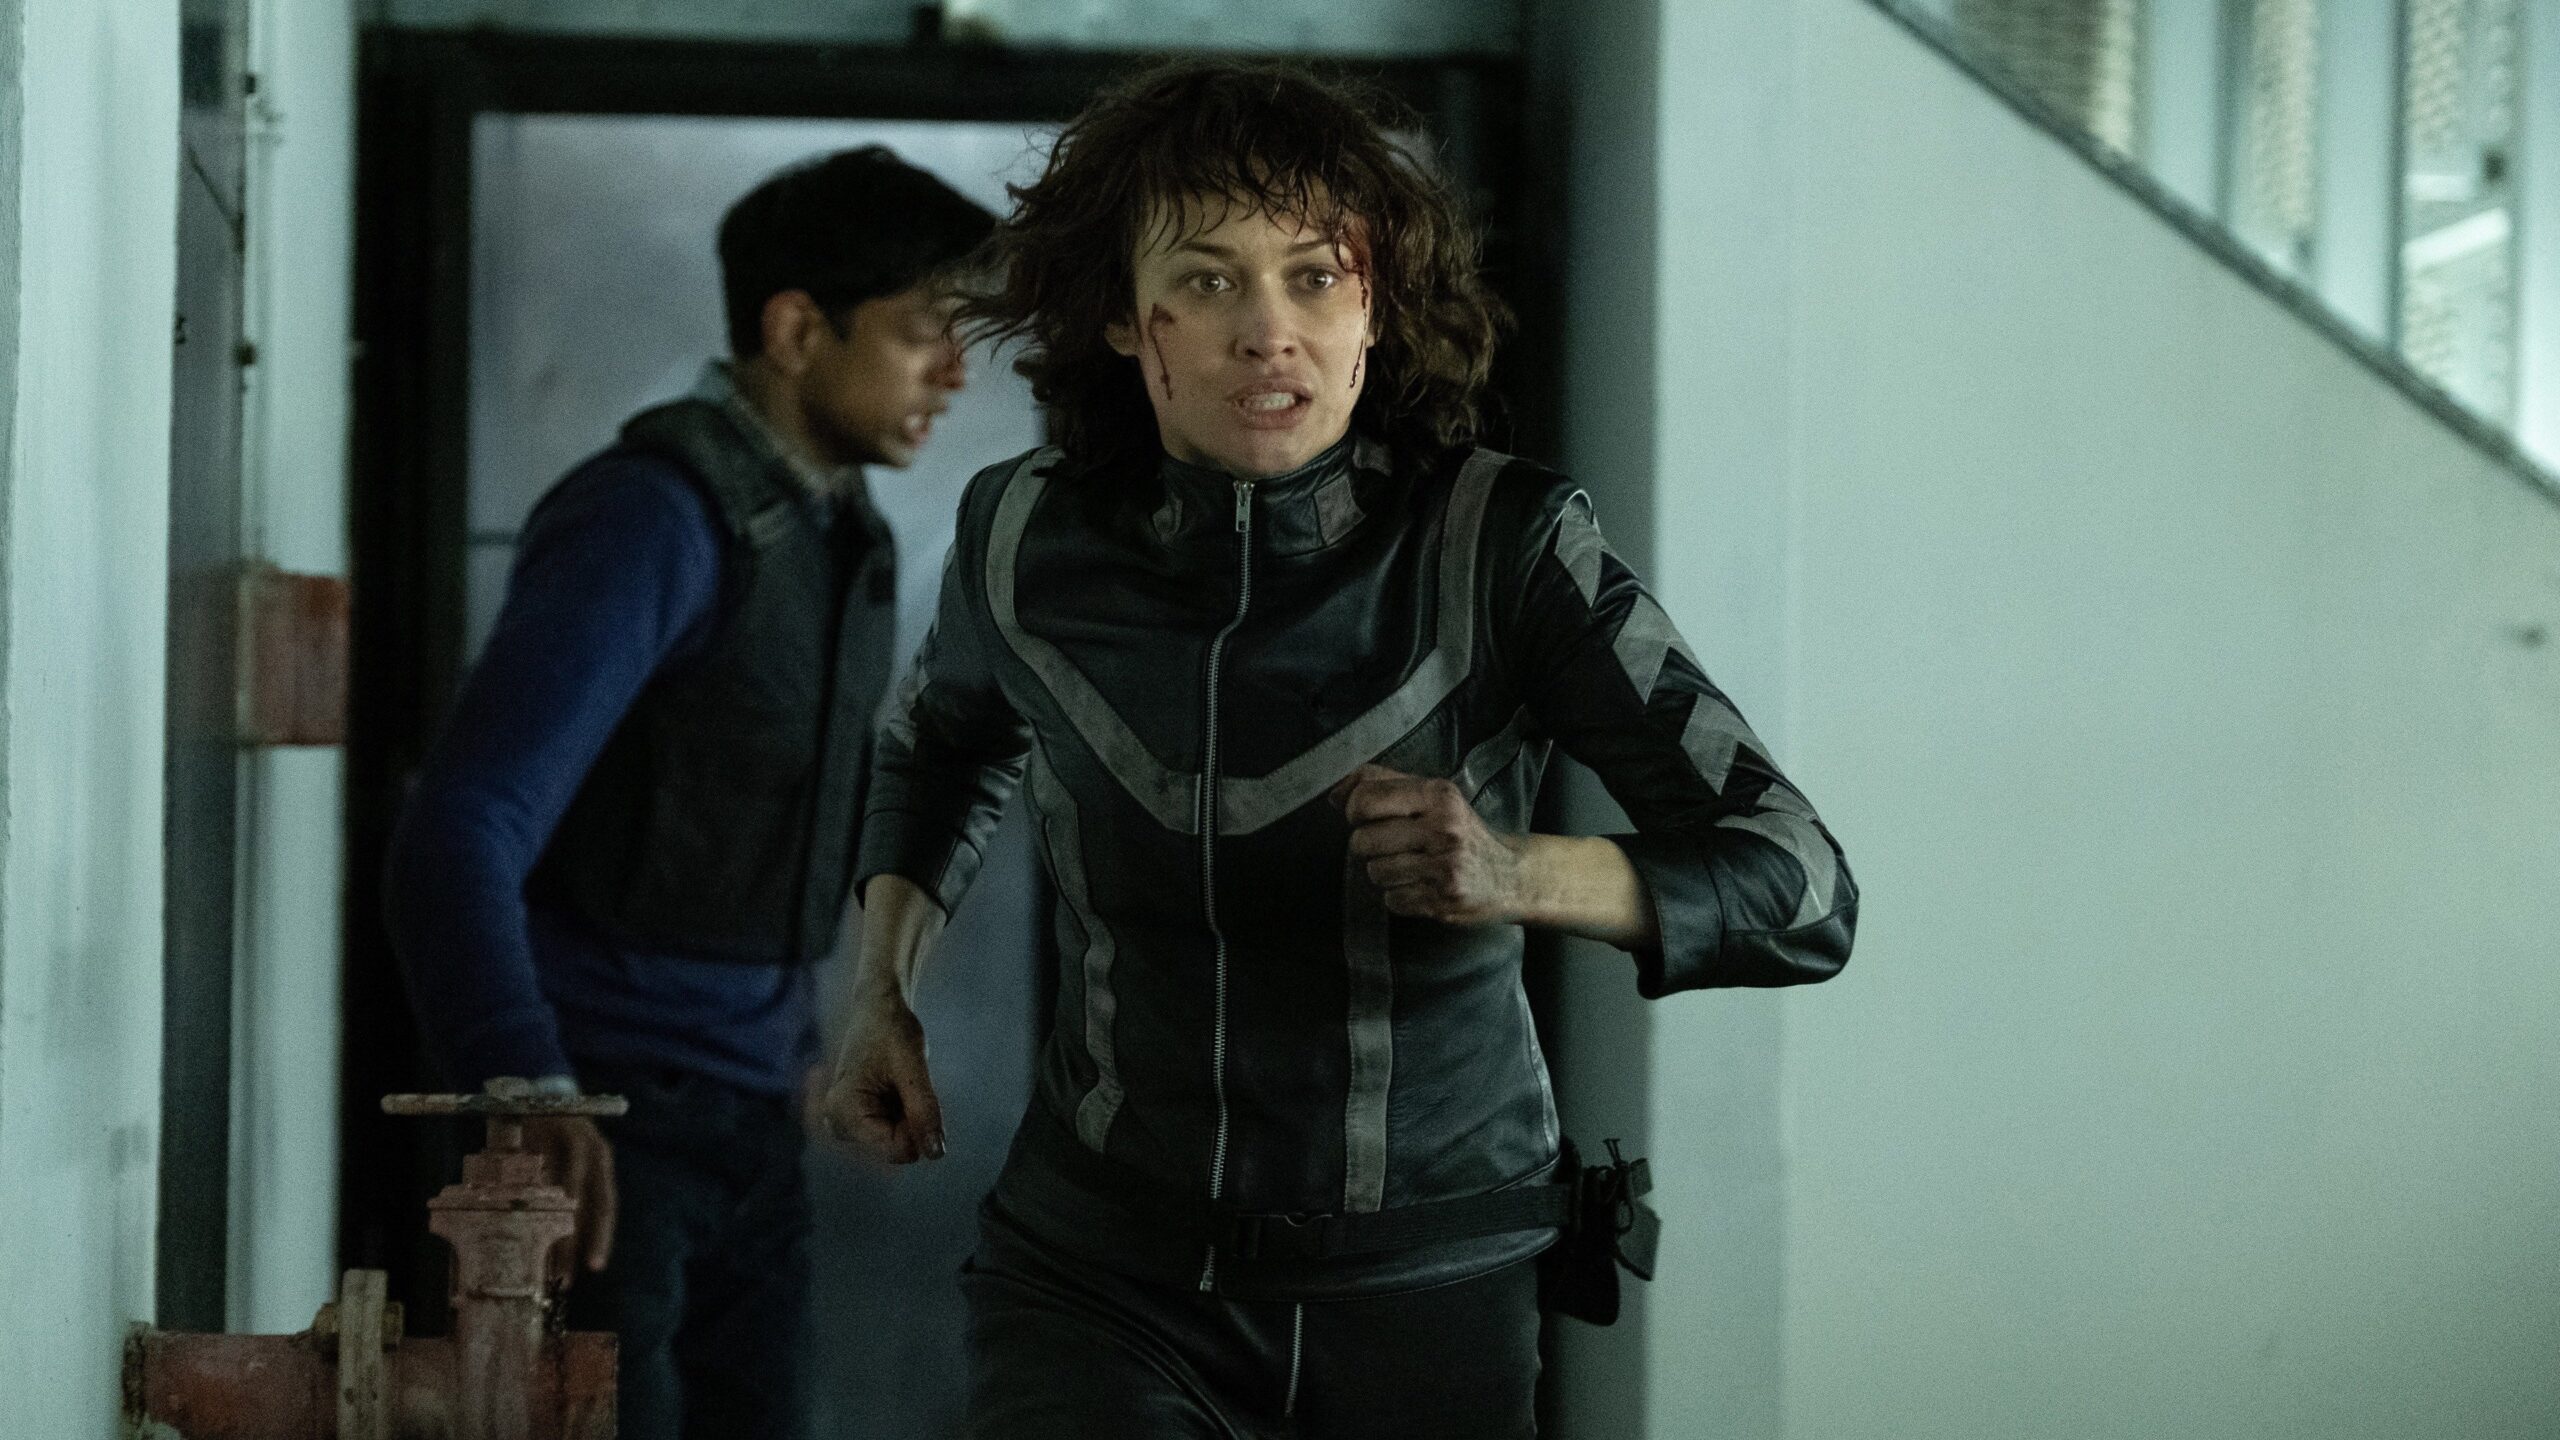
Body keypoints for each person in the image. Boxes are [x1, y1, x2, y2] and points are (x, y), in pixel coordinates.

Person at [823, 62, 1856, 1439]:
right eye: (1207, 281)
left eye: (1315, 278)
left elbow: (1802, 883)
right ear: (1126, 317)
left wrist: (1517, 873)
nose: (1270, 334)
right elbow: (942, 746)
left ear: (1375, 308)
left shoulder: (1504, 544)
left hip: (1425, 1285)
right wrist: (879, 990)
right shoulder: (1019, 533)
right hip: (1099, 1268)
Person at [386, 145, 995, 1440]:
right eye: (922, 332)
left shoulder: (840, 535)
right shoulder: (653, 519)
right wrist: (526, 1089)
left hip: (747, 1128)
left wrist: (794, 1052)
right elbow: (459, 829)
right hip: (606, 1132)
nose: (956, 371)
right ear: (796, 329)